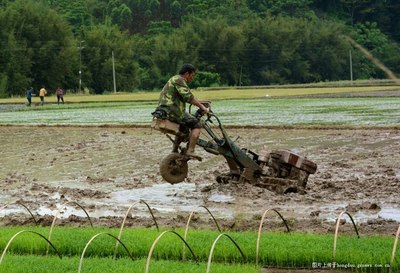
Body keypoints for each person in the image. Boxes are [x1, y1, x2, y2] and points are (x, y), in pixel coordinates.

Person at [154, 64, 209, 160]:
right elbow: (188, 97)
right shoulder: (180, 80)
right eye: (192, 75)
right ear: (187, 73)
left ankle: (174, 151)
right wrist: (202, 107)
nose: (192, 78)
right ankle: (190, 151)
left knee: (183, 126)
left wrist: (201, 102)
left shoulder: (175, 79)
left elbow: (188, 97)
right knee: (197, 124)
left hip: (165, 110)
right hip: (172, 111)